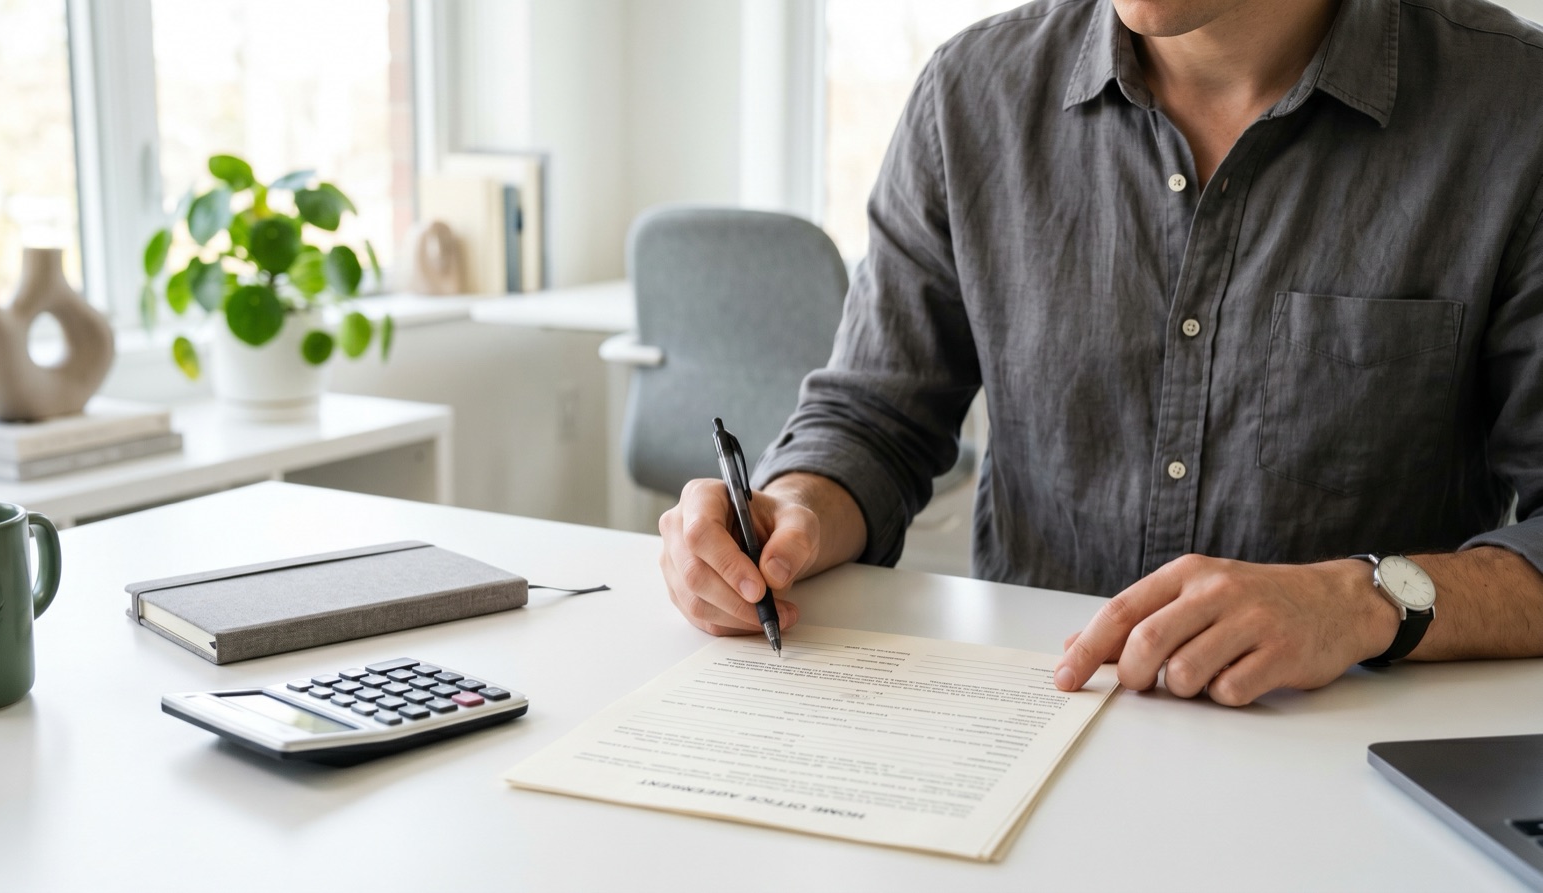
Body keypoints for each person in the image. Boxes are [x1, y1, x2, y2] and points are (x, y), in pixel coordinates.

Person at [658, 0, 1543, 706]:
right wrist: (789, 512)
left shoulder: (1514, 109)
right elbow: (874, 418)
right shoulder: (970, 96)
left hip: (1350, 752)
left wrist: (1363, 602)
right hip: (1027, 729)